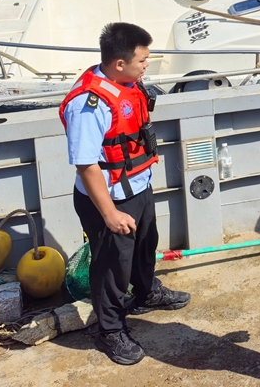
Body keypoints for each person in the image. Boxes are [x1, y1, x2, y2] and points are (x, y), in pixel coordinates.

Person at [60, 22, 190, 366]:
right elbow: (86, 165)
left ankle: (146, 292)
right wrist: (109, 214)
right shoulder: (89, 105)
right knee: (112, 267)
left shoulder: (126, 83)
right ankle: (111, 330)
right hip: (109, 199)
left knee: (145, 246)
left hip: (137, 187)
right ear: (120, 63)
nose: (147, 66)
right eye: (142, 60)